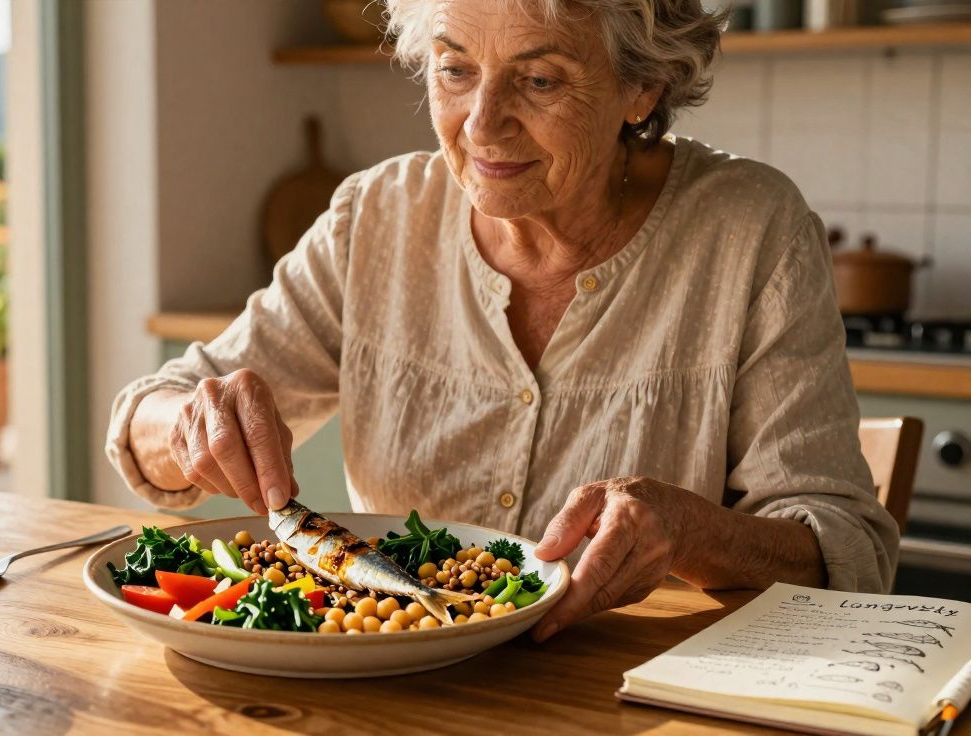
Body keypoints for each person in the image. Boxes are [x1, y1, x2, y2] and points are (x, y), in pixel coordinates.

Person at [105, 0, 899, 641]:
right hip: (385, 695)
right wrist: (189, 425)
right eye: (454, 69)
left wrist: (691, 532)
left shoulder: (751, 230)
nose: (482, 123)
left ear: (642, 88)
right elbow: (153, 412)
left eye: (541, 80)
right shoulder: (377, 217)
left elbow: (847, 550)